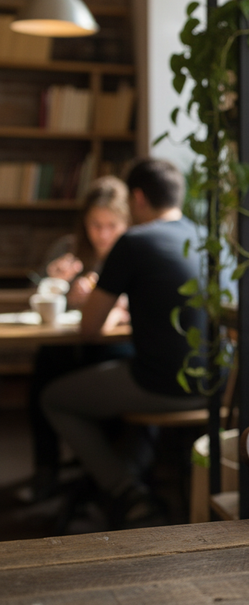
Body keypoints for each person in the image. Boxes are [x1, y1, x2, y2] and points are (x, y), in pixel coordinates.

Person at [41, 158, 207, 527]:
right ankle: (125, 483)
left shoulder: (135, 240)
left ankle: (123, 490)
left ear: (137, 198)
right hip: (218, 386)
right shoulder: (207, 239)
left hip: (161, 383)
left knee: (53, 398)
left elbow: (88, 329)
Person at [26, 177, 134, 502]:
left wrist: (115, 305)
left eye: (110, 225)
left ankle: (105, 472)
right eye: (94, 225)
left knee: (102, 366)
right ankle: (47, 469)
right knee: (45, 369)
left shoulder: (133, 249)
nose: (102, 234)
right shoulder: (68, 249)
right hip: (71, 344)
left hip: (114, 347)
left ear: (126, 221)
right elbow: (39, 301)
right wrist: (55, 286)